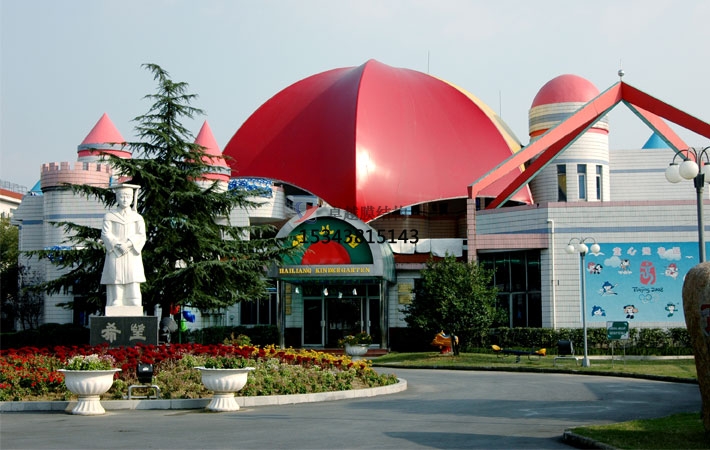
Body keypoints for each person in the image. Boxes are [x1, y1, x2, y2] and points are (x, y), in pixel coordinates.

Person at [100, 184, 146, 307]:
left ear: (132, 198)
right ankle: (117, 299)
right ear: (117, 198)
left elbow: (141, 235)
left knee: (132, 276)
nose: (125, 199)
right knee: (116, 275)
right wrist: (117, 244)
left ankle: (133, 298)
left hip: (131, 252)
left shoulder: (137, 217)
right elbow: (105, 234)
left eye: (128, 196)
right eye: (122, 196)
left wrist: (129, 244)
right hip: (116, 252)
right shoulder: (110, 216)